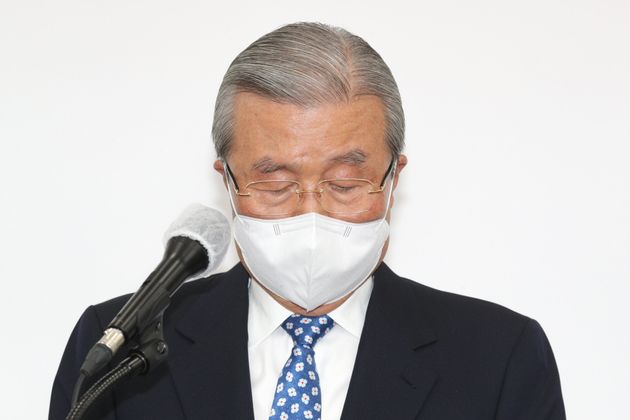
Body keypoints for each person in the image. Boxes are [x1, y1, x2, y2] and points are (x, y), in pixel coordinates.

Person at [49, 22, 566, 420]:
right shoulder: (115, 349)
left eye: (344, 184)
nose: (310, 213)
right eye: (275, 185)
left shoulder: (499, 357)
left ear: (393, 180)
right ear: (227, 182)